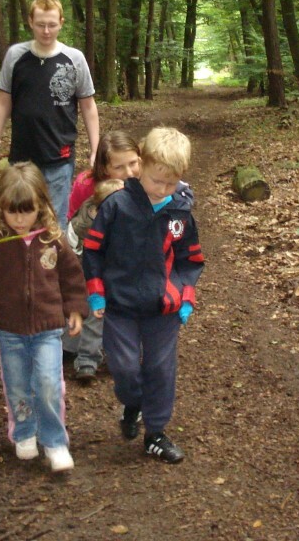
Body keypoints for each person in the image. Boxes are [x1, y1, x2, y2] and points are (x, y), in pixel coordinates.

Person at [82, 127, 205, 464]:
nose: (162, 189)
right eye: (155, 181)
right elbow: (93, 250)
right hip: (120, 304)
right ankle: (133, 402)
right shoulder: (117, 205)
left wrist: (186, 296)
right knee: (123, 368)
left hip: (164, 307)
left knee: (160, 369)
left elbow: (190, 259)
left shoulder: (180, 213)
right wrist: (97, 293)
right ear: (142, 166)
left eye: (170, 183)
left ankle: (156, 432)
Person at [0, 163, 88, 473]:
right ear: (1, 208)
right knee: (18, 385)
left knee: (48, 383)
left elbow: (72, 277)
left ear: (41, 206)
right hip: (10, 331)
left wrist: (75, 308)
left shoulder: (53, 241)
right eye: (12, 212)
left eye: (27, 211)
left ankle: (54, 441)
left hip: (48, 328)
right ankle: (24, 431)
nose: (20, 219)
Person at [0, 0, 99, 230]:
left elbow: (88, 105)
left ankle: (51, 256)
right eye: (40, 25)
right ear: (30, 22)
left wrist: (96, 149)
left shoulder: (74, 59)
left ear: (61, 23)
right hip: (21, 160)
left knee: (54, 224)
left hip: (59, 157)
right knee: (18, 220)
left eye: (52, 25)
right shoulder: (16, 56)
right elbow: (3, 102)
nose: (46, 31)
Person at [62, 131, 142, 382]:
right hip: (90, 254)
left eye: (133, 163)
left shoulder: (147, 182)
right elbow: (73, 222)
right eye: (119, 167)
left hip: (129, 258)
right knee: (89, 299)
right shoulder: (86, 185)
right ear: (105, 168)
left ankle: (125, 350)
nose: (129, 172)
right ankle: (77, 348)